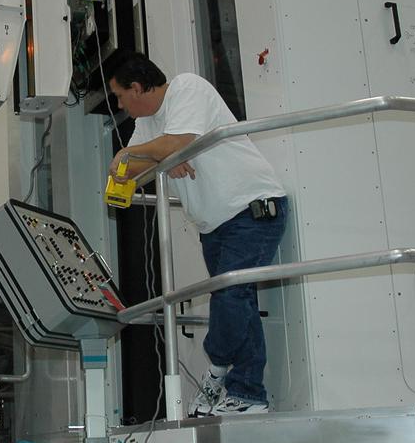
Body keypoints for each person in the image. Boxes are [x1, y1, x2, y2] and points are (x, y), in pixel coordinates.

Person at [106, 50, 288, 416]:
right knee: (241, 303)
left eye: (120, 95)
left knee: (230, 298)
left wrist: (155, 151)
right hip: (215, 224)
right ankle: (250, 394)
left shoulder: (187, 88)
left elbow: (165, 147)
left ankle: (218, 369)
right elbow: (129, 171)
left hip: (251, 211)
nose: (120, 104)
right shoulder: (150, 122)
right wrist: (160, 154)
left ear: (138, 88)